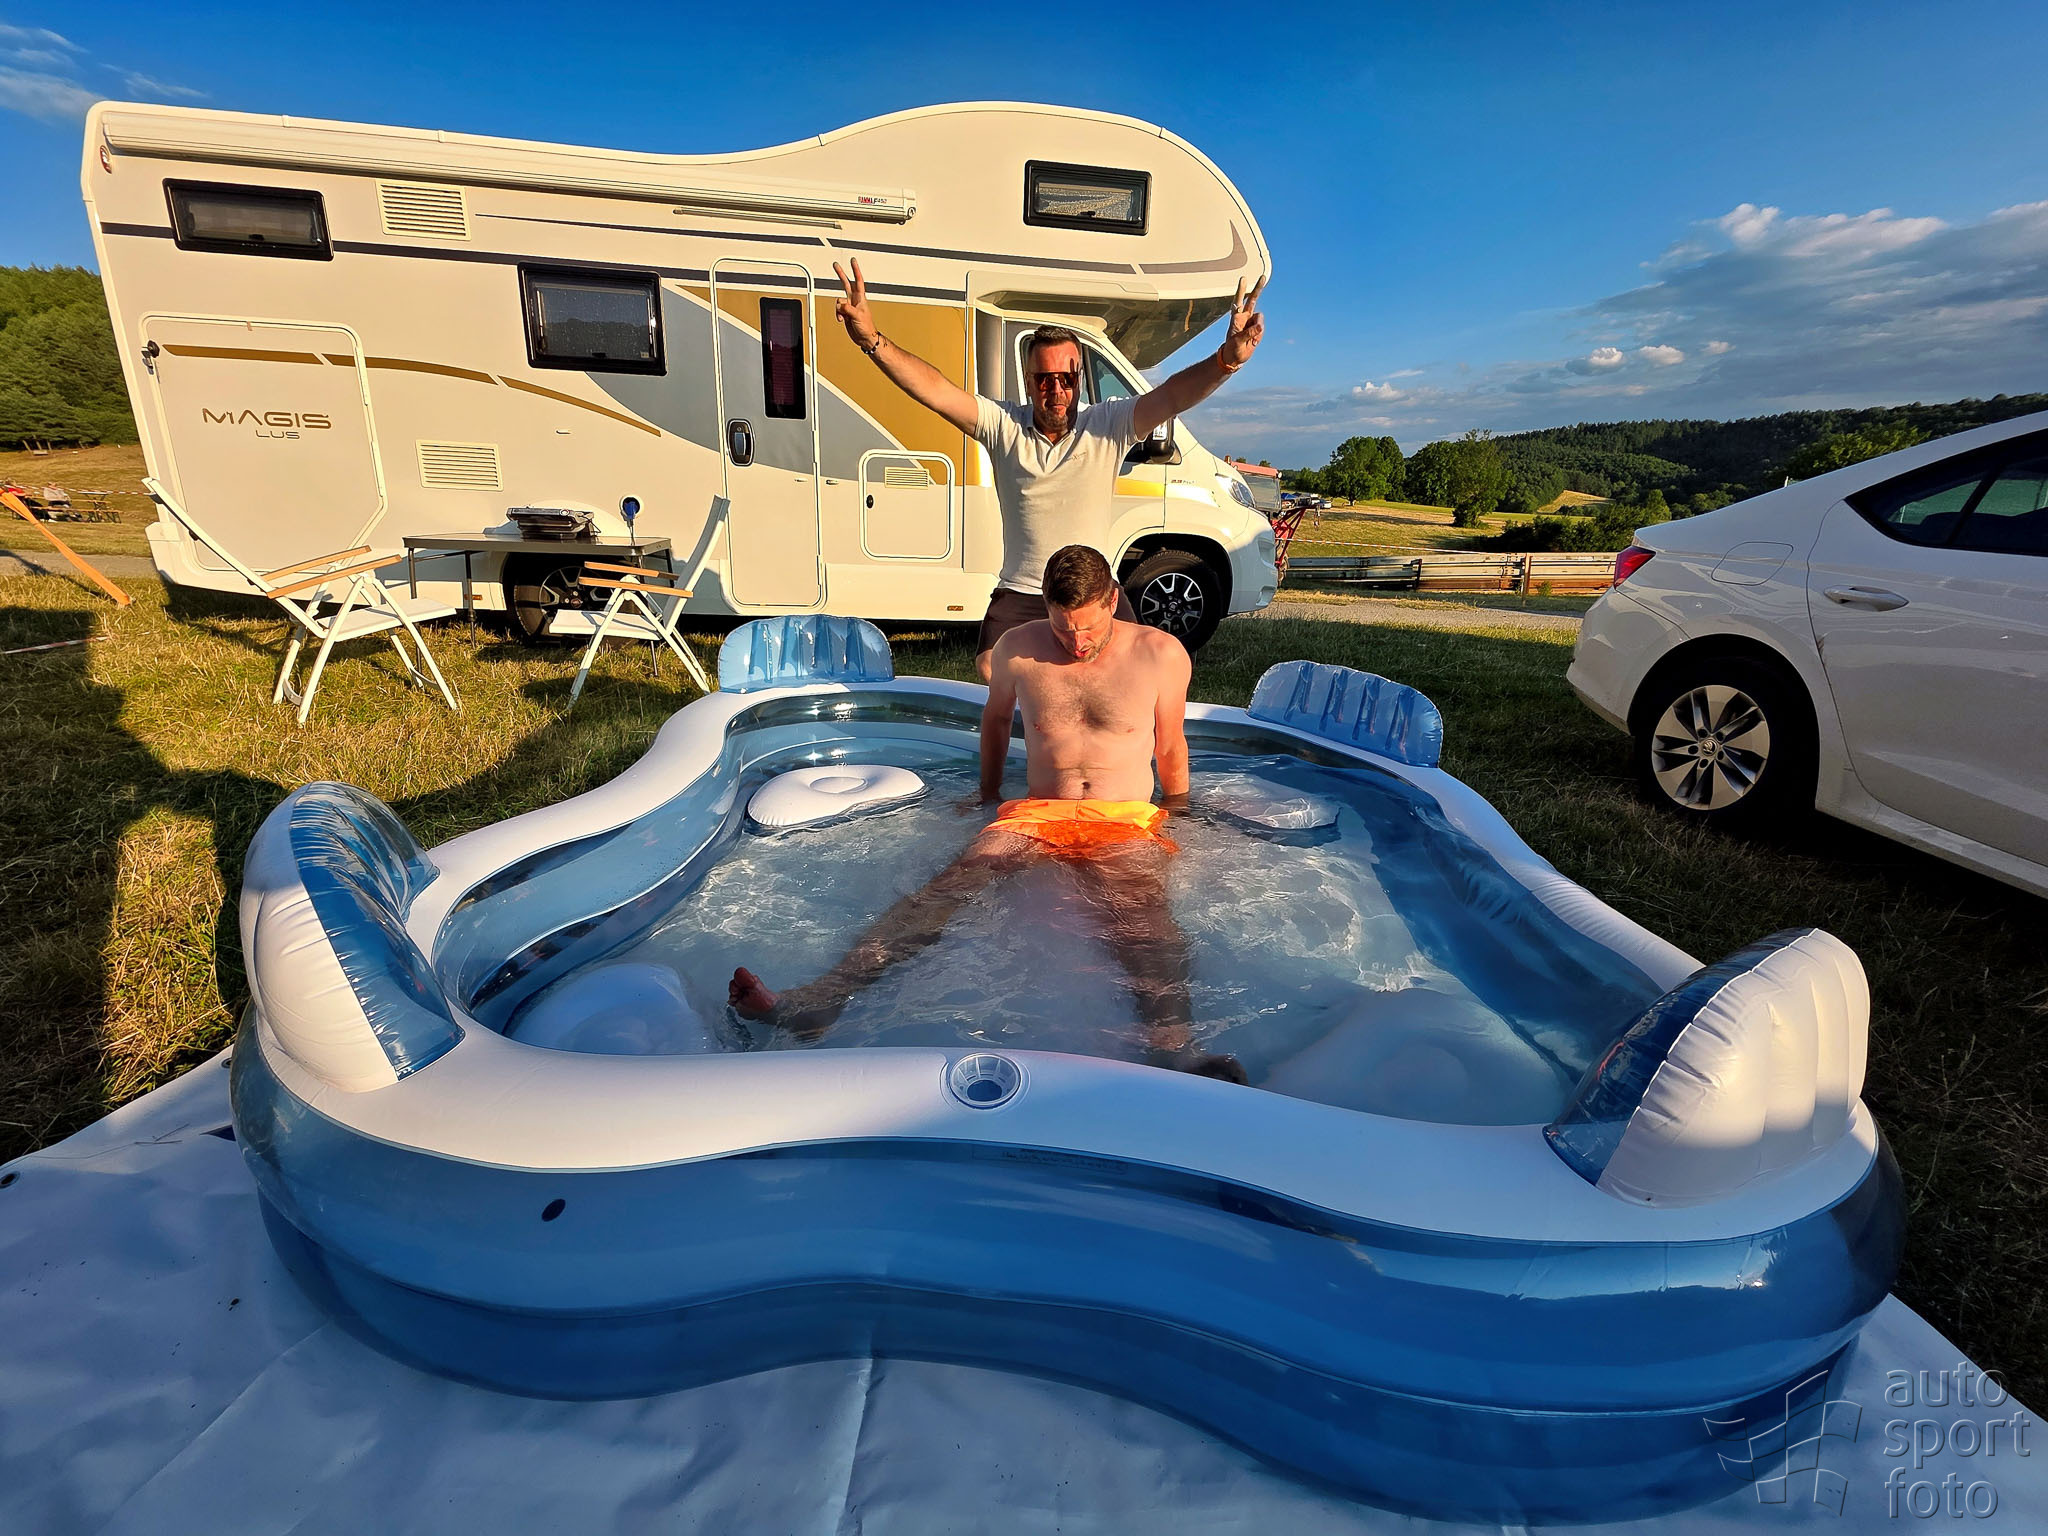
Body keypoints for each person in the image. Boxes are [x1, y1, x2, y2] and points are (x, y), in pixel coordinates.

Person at [729, 544, 1245, 1083]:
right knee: (947, 889)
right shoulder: (1018, 649)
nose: (1076, 643)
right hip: (1038, 813)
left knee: (1142, 915)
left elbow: (1170, 744)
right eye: (1063, 628)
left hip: (1122, 815)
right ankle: (820, 1003)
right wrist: (987, 792)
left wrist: (1178, 809)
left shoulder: (1160, 654)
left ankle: (1173, 1048)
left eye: (1089, 628)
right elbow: (996, 722)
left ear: (1113, 600)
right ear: (1045, 607)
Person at [828, 256, 1267, 680]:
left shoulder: (1108, 424)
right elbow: (936, 391)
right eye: (1043, 378)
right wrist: (872, 340)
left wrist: (1226, 360)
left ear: (1080, 380)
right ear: (1028, 380)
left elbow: (1172, 396)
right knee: (991, 668)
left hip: (1096, 592)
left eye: (1066, 378)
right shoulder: (1003, 425)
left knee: (1139, 668)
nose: (1055, 389)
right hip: (1023, 591)